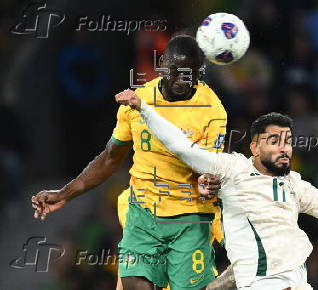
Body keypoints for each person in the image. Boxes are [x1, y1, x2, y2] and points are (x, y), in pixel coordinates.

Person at [114, 92, 318, 290]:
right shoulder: (233, 170)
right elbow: (183, 148)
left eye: (287, 140)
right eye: (274, 141)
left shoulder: (295, 185)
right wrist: (145, 109)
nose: (283, 148)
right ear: (254, 146)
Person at [32, 35, 228, 290]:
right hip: (144, 213)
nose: (183, 79)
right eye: (176, 71)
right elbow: (110, 159)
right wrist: (64, 194)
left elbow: (211, 167)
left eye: (190, 73)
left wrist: (210, 181)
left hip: (189, 218)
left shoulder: (212, 110)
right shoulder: (136, 102)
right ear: (163, 64)